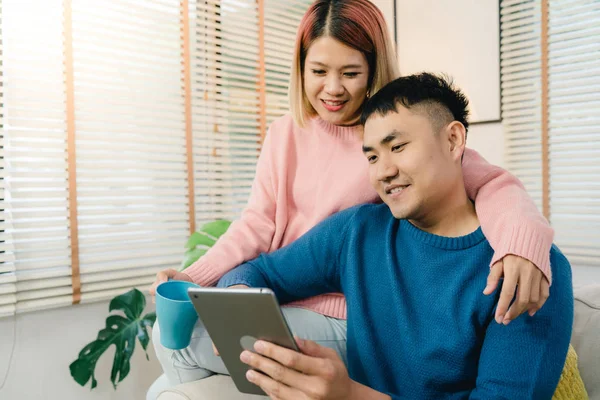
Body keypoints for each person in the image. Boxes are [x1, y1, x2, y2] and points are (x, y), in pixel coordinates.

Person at [147, 0, 555, 397]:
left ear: (373, 69)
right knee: (167, 372)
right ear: (300, 69)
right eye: (319, 71)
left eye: (350, 72)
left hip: (349, 315)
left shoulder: (398, 131)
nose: (333, 88)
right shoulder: (286, 134)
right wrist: (203, 280)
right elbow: (257, 223)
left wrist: (522, 246)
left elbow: (495, 185)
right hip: (279, 297)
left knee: (177, 348)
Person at [218, 73, 573, 399]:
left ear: (453, 140)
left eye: (398, 147)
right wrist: (237, 297)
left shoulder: (528, 270)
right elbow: (256, 271)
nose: (384, 171)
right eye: (372, 156)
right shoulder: (356, 232)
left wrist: (351, 396)